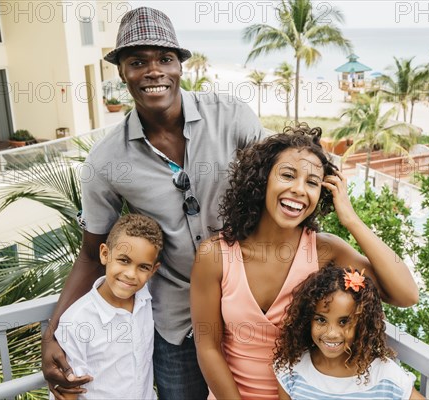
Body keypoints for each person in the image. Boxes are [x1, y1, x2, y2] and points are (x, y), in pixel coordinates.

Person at [41, 7, 264, 400]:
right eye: (137, 62)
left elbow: (283, 180)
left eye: (165, 59)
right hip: (176, 325)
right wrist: (53, 332)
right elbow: (93, 254)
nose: (153, 71)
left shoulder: (231, 116)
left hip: (248, 309)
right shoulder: (105, 161)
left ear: (180, 65)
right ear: (122, 72)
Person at [191, 125, 419, 399]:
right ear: (262, 180)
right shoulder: (214, 255)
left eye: (312, 182)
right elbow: (208, 347)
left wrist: (351, 219)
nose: (299, 190)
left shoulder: (325, 250)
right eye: (288, 175)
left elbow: (406, 294)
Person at [273, 264, 425, 400]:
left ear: (362, 323)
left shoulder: (386, 377)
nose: (331, 333)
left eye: (344, 322)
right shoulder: (292, 371)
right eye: (321, 320)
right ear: (307, 319)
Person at [54, 214, 162, 399]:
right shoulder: (76, 321)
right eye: (124, 260)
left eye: (143, 267)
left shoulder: (146, 300)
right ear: (105, 254)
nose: (130, 274)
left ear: (153, 271)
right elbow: (68, 391)